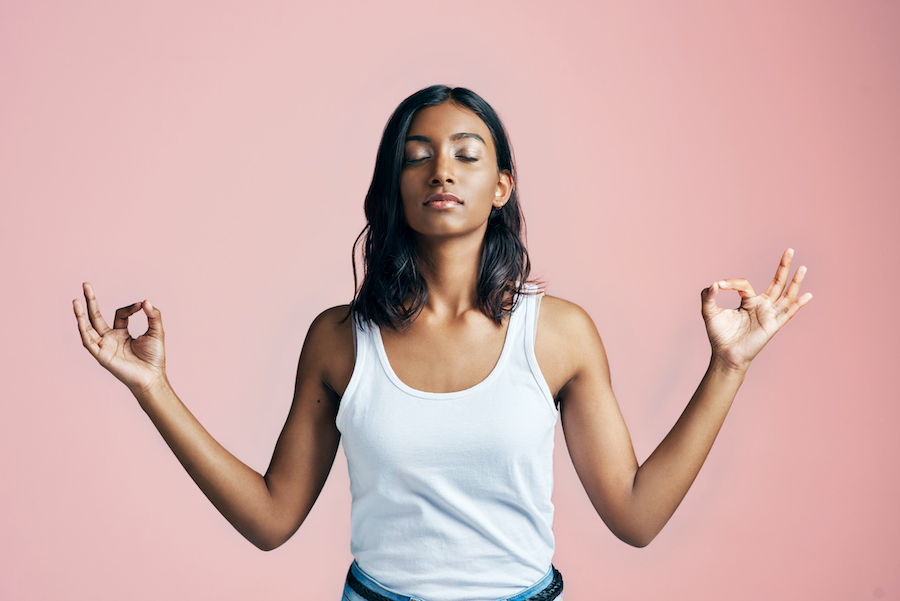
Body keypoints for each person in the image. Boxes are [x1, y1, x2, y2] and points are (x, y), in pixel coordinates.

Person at [73, 85, 812, 601]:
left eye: (466, 152)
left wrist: (728, 366)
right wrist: (152, 388)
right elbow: (271, 518)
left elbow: (636, 515)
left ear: (501, 185)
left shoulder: (559, 334)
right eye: (416, 154)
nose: (441, 169)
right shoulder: (337, 339)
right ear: (394, 184)